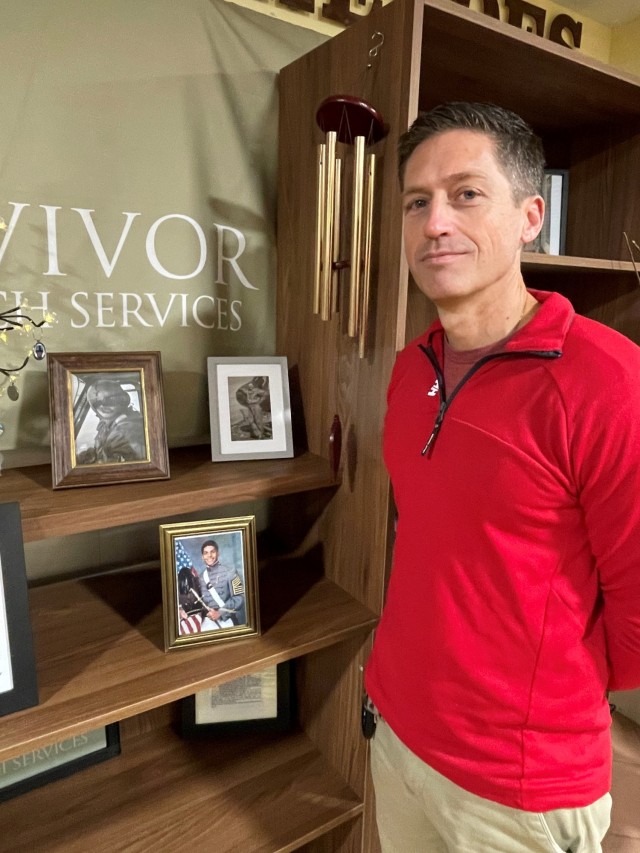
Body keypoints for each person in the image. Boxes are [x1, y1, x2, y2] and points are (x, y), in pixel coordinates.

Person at [364, 101, 640, 853]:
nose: (434, 222)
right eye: (417, 202)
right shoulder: (408, 369)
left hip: (516, 789)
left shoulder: (609, 379)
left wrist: (539, 691)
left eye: (465, 194)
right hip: (396, 732)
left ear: (530, 216)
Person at [76, 378, 146, 464]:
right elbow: (105, 449)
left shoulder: (125, 430)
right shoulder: (108, 424)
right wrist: (86, 456)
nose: (103, 406)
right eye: (97, 402)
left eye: (113, 400)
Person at [197, 539, 246, 626]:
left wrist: (220, 612)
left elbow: (239, 598)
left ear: (218, 553)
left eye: (212, 552)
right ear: (202, 557)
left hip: (227, 621)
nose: (209, 555)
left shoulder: (230, 572)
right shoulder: (200, 578)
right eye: (206, 553)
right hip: (208, 623)